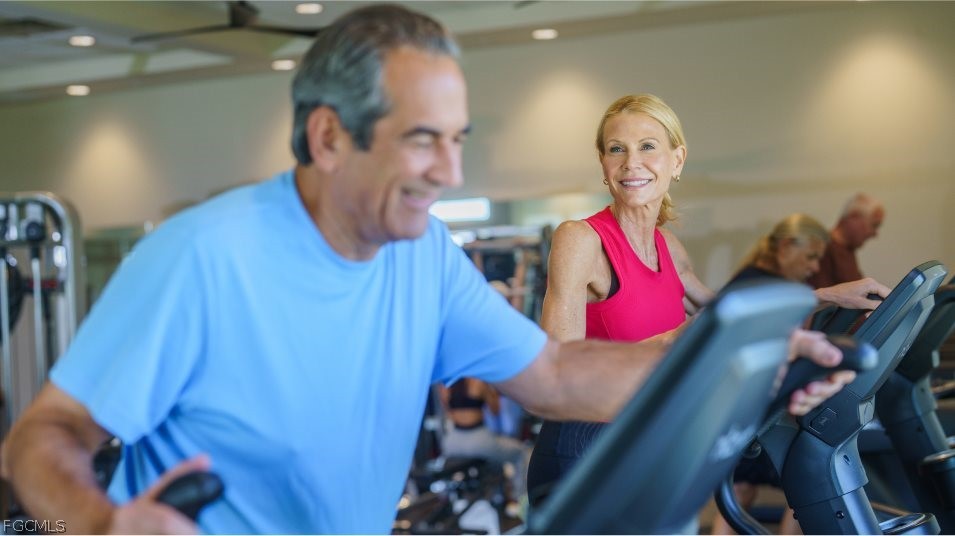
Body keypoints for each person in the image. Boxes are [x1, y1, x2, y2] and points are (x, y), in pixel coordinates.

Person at [1, 6, 856, 535]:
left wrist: (744, 369)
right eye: (421, 139)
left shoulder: (422, 259)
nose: (448, 171)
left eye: (456, 141)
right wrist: (100, 524)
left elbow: (556, 371)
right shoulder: (200, 258)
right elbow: (39, 440)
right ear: (331, 138)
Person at [525, 96, 891, 505]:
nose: (631, 163)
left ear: (677, 160)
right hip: (586, 450)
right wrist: (677, 340)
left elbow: (727, 315)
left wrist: (827, 295)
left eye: (648, 146)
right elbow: (557, 370)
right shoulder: (580, 239)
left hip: (651, 443)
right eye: (617, 149)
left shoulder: (669, 246)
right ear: (603, 163)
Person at [438, 377, 529, 506]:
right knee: (521, 452)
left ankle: (449, 501)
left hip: (453, 441)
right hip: (478, 439)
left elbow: (447, 410)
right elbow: (495, 410)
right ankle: (520, 499)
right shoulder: (478, 381)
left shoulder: (446, 384)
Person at [807, 193, 885, 288]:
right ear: (854, 216)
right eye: (874, 225)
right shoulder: (823, 249)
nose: (875, 233)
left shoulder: (848, 250)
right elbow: (820, 298)